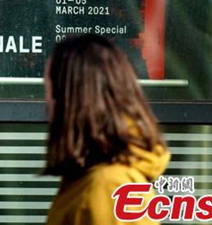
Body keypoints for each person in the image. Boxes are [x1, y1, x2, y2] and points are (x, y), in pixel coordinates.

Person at [44, 34, 170, 224]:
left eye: (52, 92)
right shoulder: (89, 179)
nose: (47, 104)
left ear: (74, 100)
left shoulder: (107, 187)